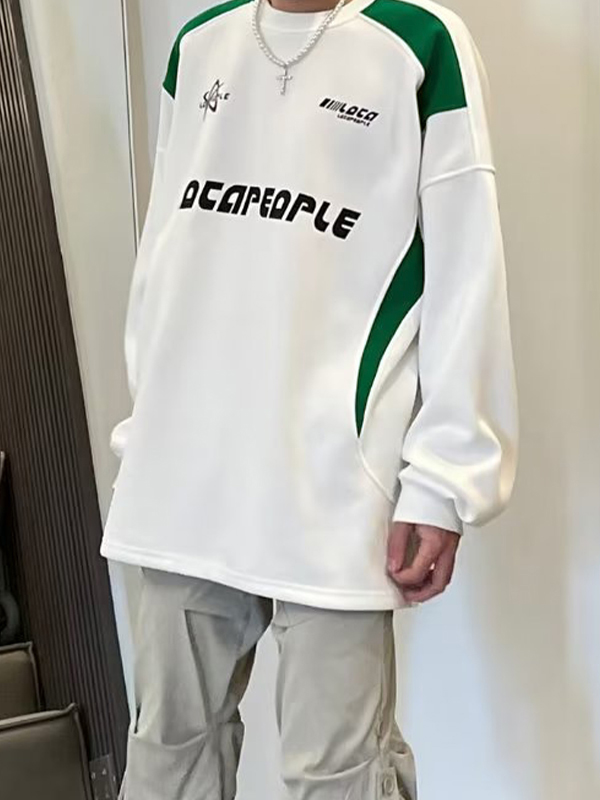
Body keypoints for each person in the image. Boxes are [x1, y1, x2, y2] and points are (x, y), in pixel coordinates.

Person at [101, 0, 518, 797]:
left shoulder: (418, 44)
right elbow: (166, 255)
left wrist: (443, 479)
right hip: (185, 475)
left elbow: (468, 274)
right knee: (165, 754)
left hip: (334, 479)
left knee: (338, 774)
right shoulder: (200, 45)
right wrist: (145, 432)